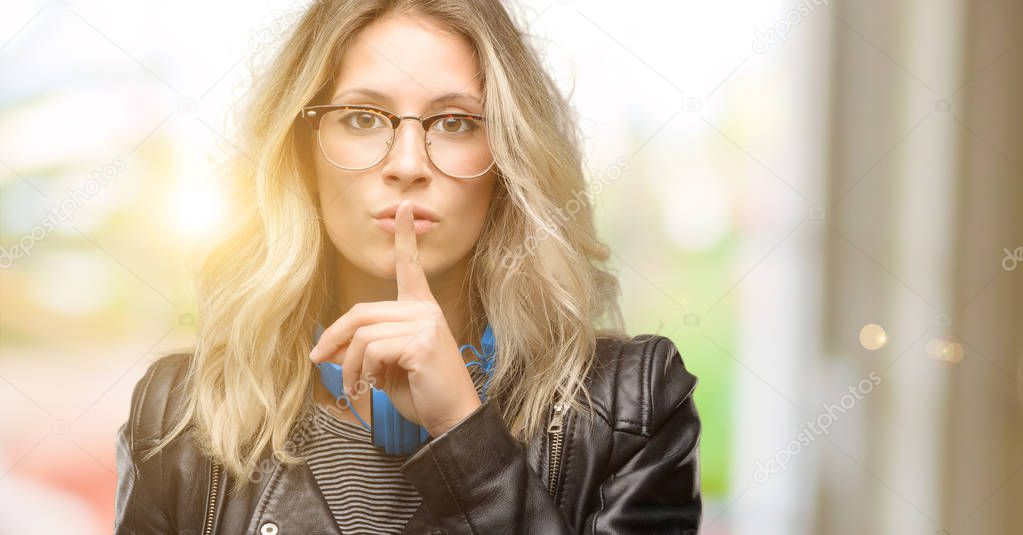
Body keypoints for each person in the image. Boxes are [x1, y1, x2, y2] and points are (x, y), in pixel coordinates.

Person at [114, 1, 702, 533]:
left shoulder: (635, 406)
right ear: (301, 150)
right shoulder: (180, 415)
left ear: (508, 159)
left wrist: (463, 434)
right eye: (364, 117)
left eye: (455, 122)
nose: (407, 163)